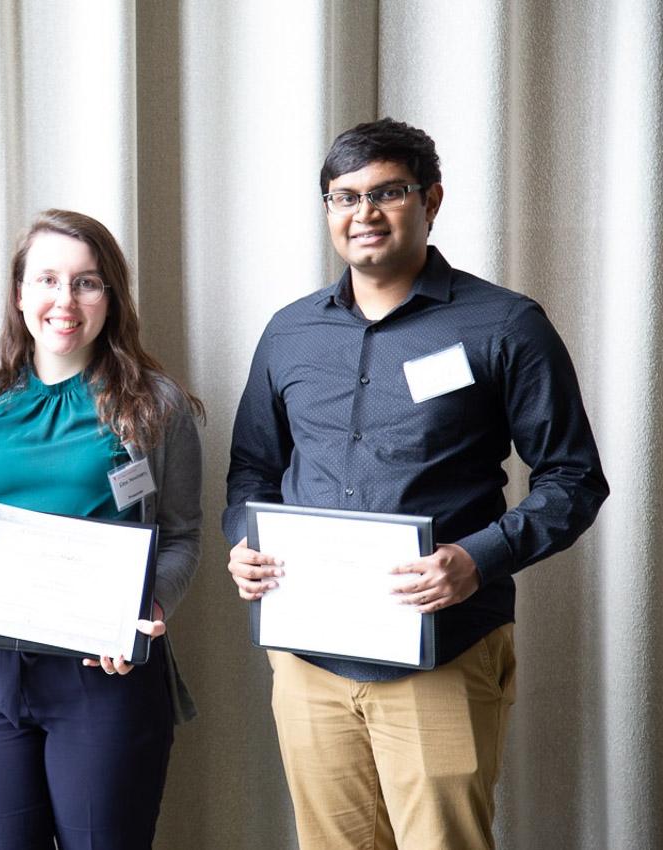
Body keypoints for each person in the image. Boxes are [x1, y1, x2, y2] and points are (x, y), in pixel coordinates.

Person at [224, 118, 609, 849]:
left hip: (443, 651)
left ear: (431, 200)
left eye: (386, 192)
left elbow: (573, 479)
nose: (362, 214)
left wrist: (479, 559)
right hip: (309, 660)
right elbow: (252, 469)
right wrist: (246, 540)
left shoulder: (506, 325)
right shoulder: (288, 332)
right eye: (342, 197)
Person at [0, 209, 203, 850]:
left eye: (86, 282)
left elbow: (183, 535)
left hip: (104, 673)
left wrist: (148, 604)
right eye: (46, 280)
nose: (64, 301)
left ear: (111, 297)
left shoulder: (155, 406)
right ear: (20, 296)